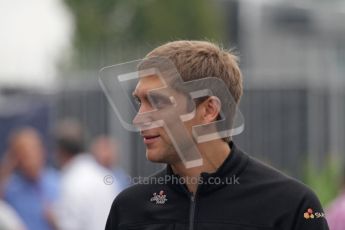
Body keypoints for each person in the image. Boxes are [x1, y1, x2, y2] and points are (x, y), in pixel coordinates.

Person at [105, 41, 329, 230]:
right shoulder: (129, 209)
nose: (139, 119)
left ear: (209, 110)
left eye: (157, 102)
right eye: (139, 102)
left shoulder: (291, 205)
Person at [54, 120, 120, 230]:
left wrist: (54, 220)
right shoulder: (104, 174)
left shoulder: (71, 180)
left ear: (60, 151)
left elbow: (69, 226)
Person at [1, 127, 59, 230]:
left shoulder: (58, 182)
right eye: (23, 153)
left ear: (42, 151)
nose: (30, 158)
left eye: (33, 151)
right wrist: (8, 165)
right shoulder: (10, 187)